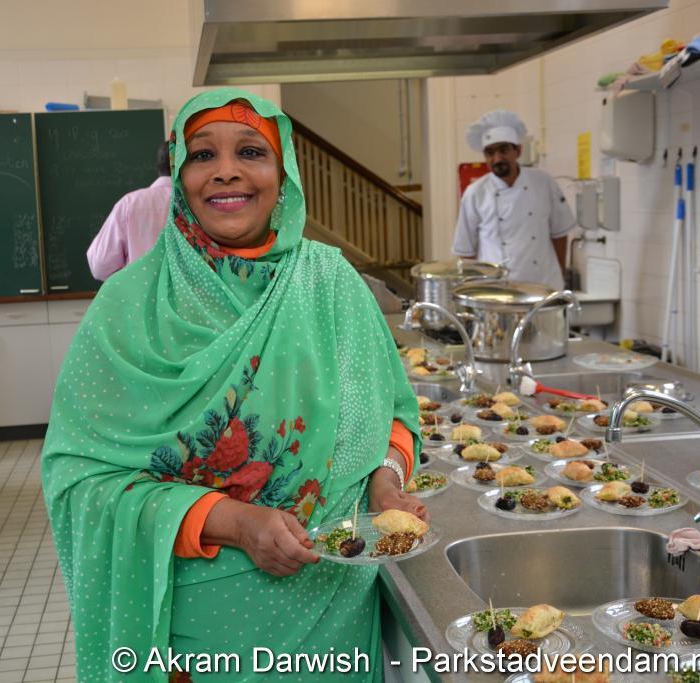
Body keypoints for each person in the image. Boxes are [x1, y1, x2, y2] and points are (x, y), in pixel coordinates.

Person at [42, 89, 425, 682]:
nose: (226, 171)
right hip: (196, 629)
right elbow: (81, 481)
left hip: (332, 612)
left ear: (282, 173)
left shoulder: (331, 283)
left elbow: (391, 417)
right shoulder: (128, 306)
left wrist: (385, 481)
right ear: (179, 175)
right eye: (202, 155)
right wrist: (234, 521)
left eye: (250, 151)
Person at [452, 109, 577, 290]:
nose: (497, 158)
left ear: (518, 151)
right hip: (496, 289)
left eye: (503, 150)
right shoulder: (475, 193)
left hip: (543, 284)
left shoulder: (544, 182)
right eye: (490, 153)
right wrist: (473, 291)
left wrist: (560, 276)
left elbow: (559, 234)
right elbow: (466, 251)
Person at [86, 140, 173, 280]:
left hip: (139, 291)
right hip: (193, 293)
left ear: (159, 167)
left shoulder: (130, 204)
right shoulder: (198, 203)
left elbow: (100, 266)